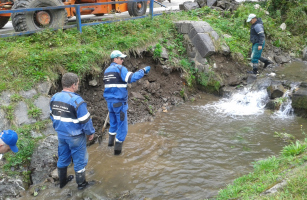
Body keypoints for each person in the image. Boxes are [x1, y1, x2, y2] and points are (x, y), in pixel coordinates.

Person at [50, 72, 95, 190]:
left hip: (61, 134)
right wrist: (90, 132)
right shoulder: (76, 100)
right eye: (78, 84)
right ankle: (81, 185)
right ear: (73, 85)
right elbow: (85, 120)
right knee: (80, 160)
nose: (78, 86)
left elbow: (52, 116)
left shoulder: (54, 97)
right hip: (75, 136)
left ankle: (63, 183)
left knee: (63, 157)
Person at [103, 50, 150, 155]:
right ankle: (117, 154)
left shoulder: (107, 70)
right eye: (121, 58)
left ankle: (110, 146)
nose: (123, 60)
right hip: (119, 103)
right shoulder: (120, 69)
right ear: (115, 59)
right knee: (122, 127)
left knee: (113, 124)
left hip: (110, 103)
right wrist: (143, 70)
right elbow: (132, 78)